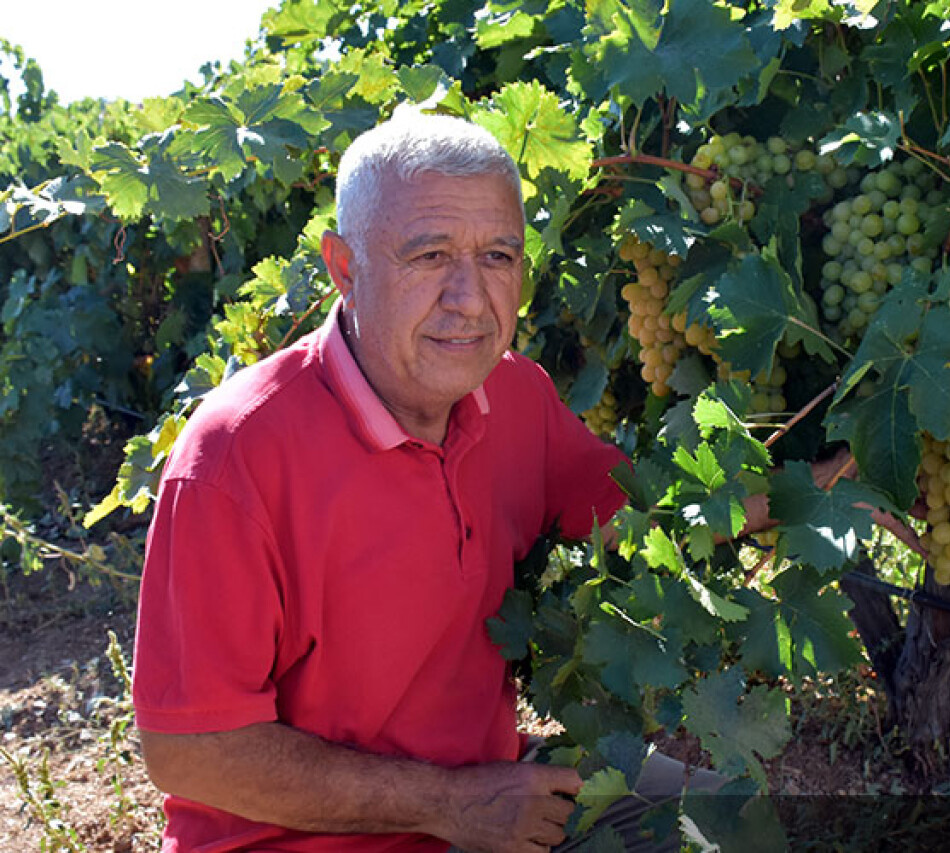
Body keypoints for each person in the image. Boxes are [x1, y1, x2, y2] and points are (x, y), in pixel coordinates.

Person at [132, 112, 634, 852]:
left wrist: (825, 485)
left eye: (499, 256)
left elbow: (645, 516)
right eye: (430, 255)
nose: (469, 296)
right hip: (310, 841)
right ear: (344, 268)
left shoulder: (515, 395)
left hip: (488, 805)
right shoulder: (234, 457)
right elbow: (189, 749)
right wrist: (453, 804)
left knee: (735, 818)